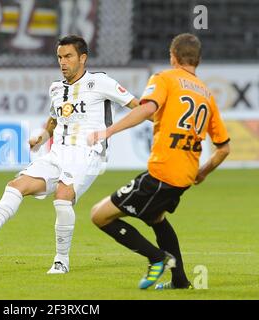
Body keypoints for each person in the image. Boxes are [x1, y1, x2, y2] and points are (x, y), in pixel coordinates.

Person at [0, 35, 139, 274]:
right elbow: (54, 120)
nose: (62, 62)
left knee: (62, 196)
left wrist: (109, 132)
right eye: (59, 57)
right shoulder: (56, 88)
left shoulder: (101, 82)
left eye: (68, 56)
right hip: (57, 153)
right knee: (17, 185)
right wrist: (40, 136)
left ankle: (61, 260)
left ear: (83, 58)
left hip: (88, 153)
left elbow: (140, 107)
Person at [87, 33, 230, 289]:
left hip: (162, 173)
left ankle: (156, 258)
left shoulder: (165, 78)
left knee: (99, 216)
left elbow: (147, 109)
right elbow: (224, 148)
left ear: (173, 56)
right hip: (184, 176)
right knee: (156, 218)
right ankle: (180, 281)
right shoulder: (207, 95)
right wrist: (204, 172)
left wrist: (107, 131)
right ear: (197, 60)